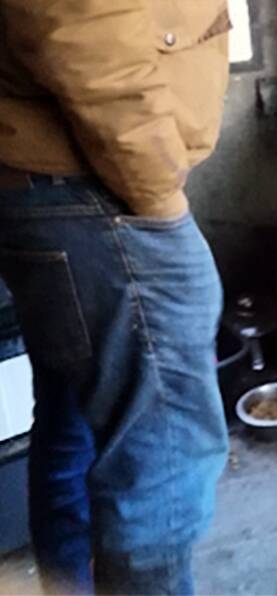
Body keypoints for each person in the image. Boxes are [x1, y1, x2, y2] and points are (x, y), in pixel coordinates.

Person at [0, 1, 231, 593]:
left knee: (72, 419)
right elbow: (82, 31)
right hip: (96, 196)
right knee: (162, 464)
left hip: (55, 184)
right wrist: (159, 199)